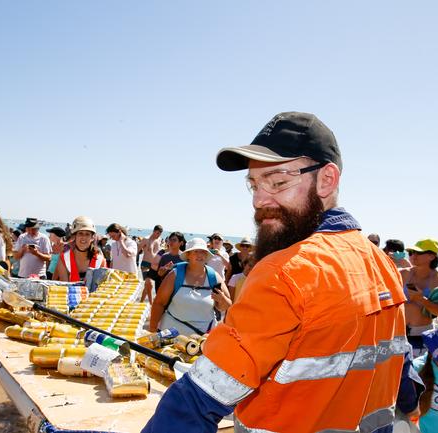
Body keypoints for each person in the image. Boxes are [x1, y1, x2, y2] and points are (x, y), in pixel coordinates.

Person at [143, 112, 407, 433]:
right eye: (253, 184)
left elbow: (194, 404)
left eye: (278, 182)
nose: (259, 201)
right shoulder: (382, 264)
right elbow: (400, 386)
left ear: (326, 179)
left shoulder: (284, 272)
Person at [149, 237, 231, 336]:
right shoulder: (175, 275)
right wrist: (153, 330)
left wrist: (222, 300)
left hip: (202, 340)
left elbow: (227, 305)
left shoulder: (214, 276)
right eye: (196, 251)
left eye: (203, 252)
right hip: (172, 337)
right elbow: (159, 303)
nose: (200, 255)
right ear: (188, 255)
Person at [401, 239, 438, 357]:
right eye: (411, 252)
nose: (413, 256)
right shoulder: (403, 273)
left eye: (418, 252)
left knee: (416, 374)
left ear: (432, 256)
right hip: (397, 334)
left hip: (420, 337)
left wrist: (421, 299)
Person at [54, 216, 106, 283]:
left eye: (87, 234)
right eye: (80, 233)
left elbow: (101, 288)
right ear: (74, 236)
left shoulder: (100, 261)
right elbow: (65, 287)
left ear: (92, 238)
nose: (83, 237)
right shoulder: (64, 259)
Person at [138, 225, 163, 303]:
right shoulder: (146, 239)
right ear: (154, 231)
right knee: (150, 284)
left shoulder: (158, 240)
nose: (158, 235)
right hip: (145, 264)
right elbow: (137, 250)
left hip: (154, 265)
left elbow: (157, 254)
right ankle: (151, 304)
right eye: (157, 233)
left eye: (160, 234)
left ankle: (141, 302)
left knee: (147, 286)